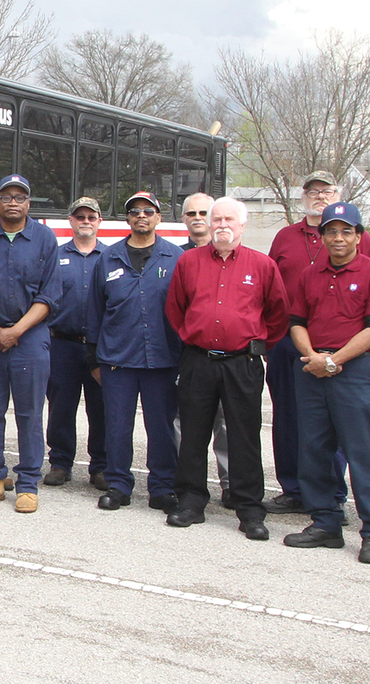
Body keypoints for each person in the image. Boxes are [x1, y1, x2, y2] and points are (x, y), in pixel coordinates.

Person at [164, 196, 288, 541]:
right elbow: (176, 309)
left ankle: (249, 510)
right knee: (193, 434)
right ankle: (190, 501)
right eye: (215, 219)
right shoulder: (188, 262)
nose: (221, 225)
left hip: (242, 363)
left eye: (229, 220)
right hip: (198, 361)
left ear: (242, 225)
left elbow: (278, 314)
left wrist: (254, 345)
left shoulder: (262, 266)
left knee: (244, 437)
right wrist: (195, 337)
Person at [282, 202, 370, 564]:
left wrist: (334, 360)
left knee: (363, 453)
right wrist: (315, 357)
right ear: (323, 236)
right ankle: (325, 522)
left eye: (347, 231)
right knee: (314, 450)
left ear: (359, 236)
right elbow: (297, 321)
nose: (339, 238)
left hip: (356, 371)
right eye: (332, 231)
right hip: (314, 369)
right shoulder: (310, 275)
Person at [265, 170, 370, 513]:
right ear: (303, 196)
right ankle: (293, 488)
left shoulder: (360, 239)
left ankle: (332, 496)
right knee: (288, 418)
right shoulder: (285, 237)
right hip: (289, 342)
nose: (319, 196)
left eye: (326, 190)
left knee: (337, 424)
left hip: (343, 348)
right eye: (312, 191)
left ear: (338, 194)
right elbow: (271, 290)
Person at [88, 192, 183, 514]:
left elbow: (185, 309)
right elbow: (95, 312)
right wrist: (95, 359)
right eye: (134, 212)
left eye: (148, 211)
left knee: (161, 426)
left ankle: (162, 487)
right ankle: (118, 485)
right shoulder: (109, 258)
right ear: (127, 219)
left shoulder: (176, 258)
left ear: (158, 217)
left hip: (163, 358)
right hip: (118, 359)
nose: (141, 216)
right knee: (117, 425)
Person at [0, 174, 56, 511]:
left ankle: (28, 483)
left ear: (28, 203)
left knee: (30, 413)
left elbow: (49, 295)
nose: (13, 202)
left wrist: (16, 330)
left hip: (30, 340)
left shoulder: (44, 239)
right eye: (7, 196)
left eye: (20, 196)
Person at [43, 197, 107, 490]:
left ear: (99, 222)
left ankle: (101, 466)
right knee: (61, 406)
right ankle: (60, 462)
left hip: (100, 347)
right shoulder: (55, 256)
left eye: (90, 217)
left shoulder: (111, 258)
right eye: (79, 216)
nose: (85, 221)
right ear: (70, 221)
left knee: (101, 408)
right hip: (62, 344)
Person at [177, 191, 230, 496]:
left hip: (230, 359)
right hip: (191, 356)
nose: (198, 219)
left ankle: (230, 484)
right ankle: (185, 485)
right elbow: (173, 308)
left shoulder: (237, 256)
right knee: (186, 425)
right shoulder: (176, 257)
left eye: (203, 213)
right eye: (191, 214)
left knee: (227, 425)